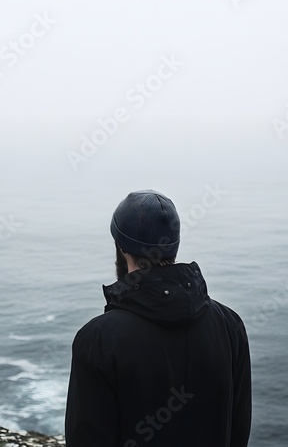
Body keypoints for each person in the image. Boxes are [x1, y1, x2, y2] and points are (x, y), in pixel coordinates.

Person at [65, 189, 251, 447]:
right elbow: (239, 431)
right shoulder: (230, 325)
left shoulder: (98, 340)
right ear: (174, 245)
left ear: (120, 247)